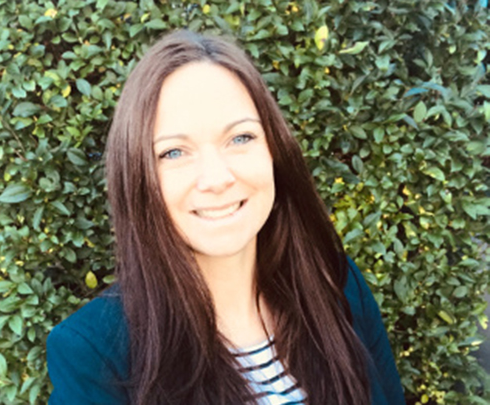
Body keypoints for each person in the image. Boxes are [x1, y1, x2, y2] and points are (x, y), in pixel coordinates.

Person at [47, 30, 405, 405]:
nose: (217, 178)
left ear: (274, 151)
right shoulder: (93, 354)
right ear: (138, 179)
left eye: (240, 138)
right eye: (173, 152)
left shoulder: (338, 285)